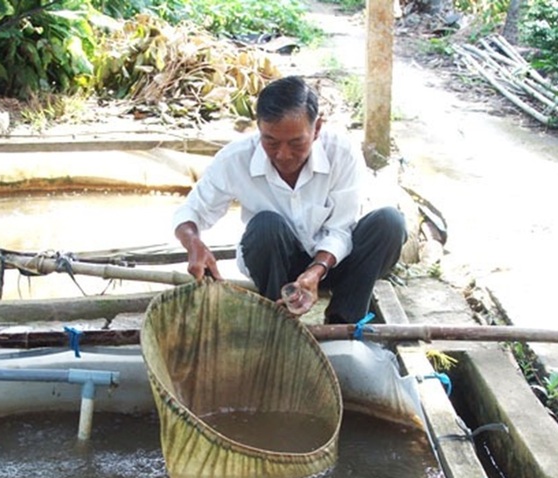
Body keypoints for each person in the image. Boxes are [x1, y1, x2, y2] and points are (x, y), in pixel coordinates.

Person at [172, 75, 407, 324]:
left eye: (296, 142)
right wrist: (193, 243)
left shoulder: (341, 152)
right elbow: (190, 212)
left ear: (316, 129)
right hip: (276, 267)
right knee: (266, 225)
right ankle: (277, 321)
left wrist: (316, 271)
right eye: (270, 141)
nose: (283, 155)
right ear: (259, 127)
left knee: (389, 222)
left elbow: (341, 229)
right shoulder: (235, 158)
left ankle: (344, 323)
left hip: (335, 263)